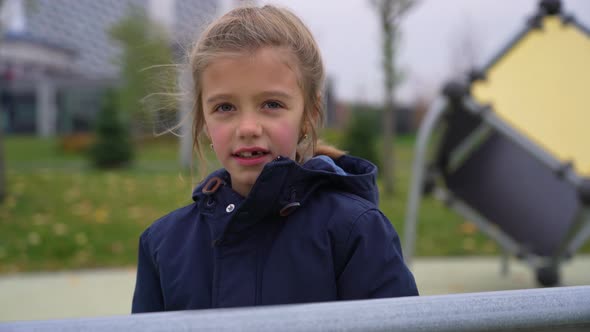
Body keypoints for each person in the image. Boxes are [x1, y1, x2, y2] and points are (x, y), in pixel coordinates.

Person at [132, 4, 418, 313]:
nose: (248, 128)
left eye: (271, 104)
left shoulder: (355, 231)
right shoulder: (162, 244)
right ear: (203, 118)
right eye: (225, 107)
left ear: (308, 114)